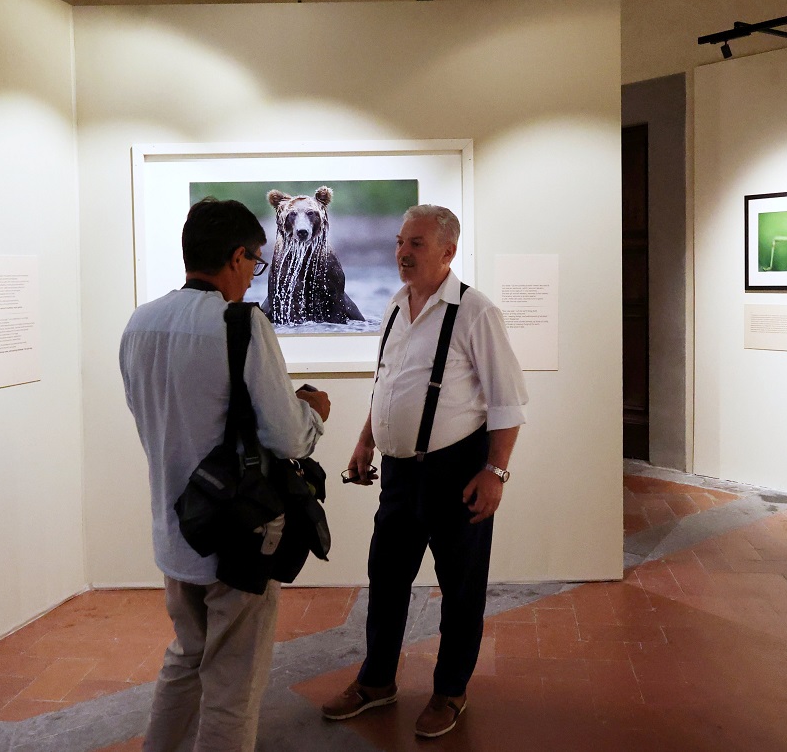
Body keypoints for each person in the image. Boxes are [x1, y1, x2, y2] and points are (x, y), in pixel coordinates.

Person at [120, 197, 331, 752]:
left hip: (175, 531)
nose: (254, 275)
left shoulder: (139, 323)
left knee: (187, 658)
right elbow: (286, 436)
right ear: (237, 257)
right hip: (238, 536)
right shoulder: (242, 324)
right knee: (233, 685)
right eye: (256, 262)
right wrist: (314, 413)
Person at [321, 204, 528, 739]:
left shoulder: (475, 312)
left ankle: (451, 691)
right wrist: (366, 439)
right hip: (398, 474)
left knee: (461, 590)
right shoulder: (393, 306)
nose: (402, 253)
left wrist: (495, 473)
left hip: (457, 471)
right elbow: (387, 384)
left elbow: (508, 403)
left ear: (448, 252)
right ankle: (376, 682)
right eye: (399, 242)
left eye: (415, 244)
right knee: (386, 579)